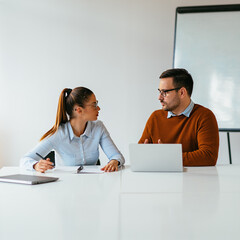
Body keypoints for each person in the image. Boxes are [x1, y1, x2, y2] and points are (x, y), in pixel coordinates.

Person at [20, 87, 125, 172]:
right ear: (79, 110)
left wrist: (114, 161)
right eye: (94, 105)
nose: (98, 108)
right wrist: (36, 165)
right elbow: (25, 160)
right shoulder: (58, 134)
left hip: (93, 186)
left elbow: (116, 156)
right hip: (65, 187)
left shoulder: (98, 127)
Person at [139, 68, 219, 166]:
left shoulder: (204, 116)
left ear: (182, 92)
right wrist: (144, 154)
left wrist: (168, 157)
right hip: (160, 179)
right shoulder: (155, 117)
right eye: (159, 91)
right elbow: (140, 154)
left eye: (165, 92)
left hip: (194, 180)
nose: (159, 97)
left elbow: (208, 157)